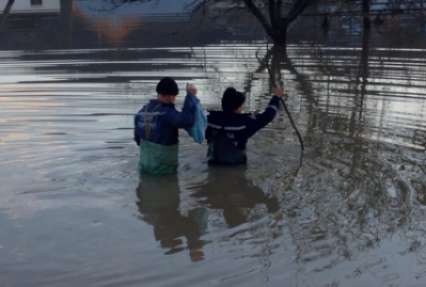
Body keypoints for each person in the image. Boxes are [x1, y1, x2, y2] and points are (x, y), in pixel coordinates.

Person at [134, 77, 198, 175]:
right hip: (164, 170)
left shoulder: (141, 112)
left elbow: (138, 140)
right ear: (171, 96)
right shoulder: (167, 114)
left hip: (145, 167)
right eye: (174, 96)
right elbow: (187, 121)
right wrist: (190, 97)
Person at [206, 86, 284, 165]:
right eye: (242, 105)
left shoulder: (210, 118)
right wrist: (276, 97)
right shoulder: (245, 122)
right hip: (236, 166)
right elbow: (267, 116)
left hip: (213, 163)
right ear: (238, 107)